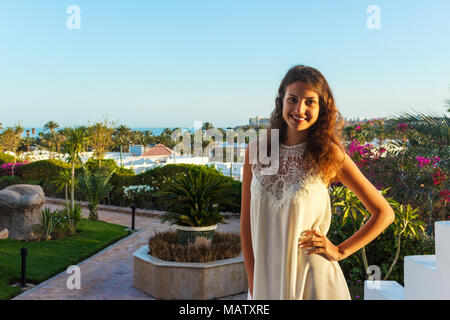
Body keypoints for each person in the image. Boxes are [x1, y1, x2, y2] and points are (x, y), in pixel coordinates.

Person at [240, 65, 395, 300]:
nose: (299, 109)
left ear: (321, 107)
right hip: (266, 285)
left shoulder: (329, 155)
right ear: (281, 101)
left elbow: (384, 213)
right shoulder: (255, 152)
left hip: (314, 284)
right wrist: (254, 284)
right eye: (292, 99)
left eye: (310, 102)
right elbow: (246, 223)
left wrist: (340, 250)